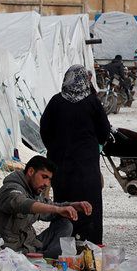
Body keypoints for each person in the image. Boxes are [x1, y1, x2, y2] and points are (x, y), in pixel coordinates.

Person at [40, 65, 111, 245]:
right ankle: (90, 247)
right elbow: (104, 131)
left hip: (61, 166)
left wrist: (56, 149)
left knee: (64, 206)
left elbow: (44, 131)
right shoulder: (92, 102)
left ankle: (64, 246)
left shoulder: (56, 102)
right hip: (86, 167)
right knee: (89, 207)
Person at [0, 156, 92, 258]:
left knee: (65, 225)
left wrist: (73, 205)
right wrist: (58, 209)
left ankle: (47, 258)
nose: (47, 184)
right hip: (12, 253)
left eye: (49, 179)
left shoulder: (33, 192)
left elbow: (49, 208)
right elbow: (23, 203)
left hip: (31, 245)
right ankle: (45, 259)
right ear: (31, 171)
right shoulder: (10, 189)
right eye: (44, 177)